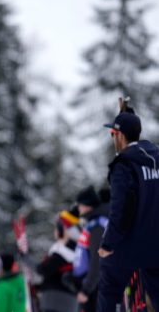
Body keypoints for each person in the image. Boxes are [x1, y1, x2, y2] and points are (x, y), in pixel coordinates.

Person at [97, 110, 159, 311]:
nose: (113, 139)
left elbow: (122, 209)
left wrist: (108, 243)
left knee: (109, 287)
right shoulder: (156, 156)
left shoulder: (123, 164)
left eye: (113, 134)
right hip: (156, 245)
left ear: (120, 135)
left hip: (131, 245)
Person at [72, 186, 108, 312]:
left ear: (88, 205)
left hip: (96, 288)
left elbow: (97, 259)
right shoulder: (94, 223)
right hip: (95, 285)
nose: (78, 208)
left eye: (80, 204)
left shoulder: (97, 226)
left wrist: (86, 290)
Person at [35, 208, 79, 312]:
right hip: (67, 302)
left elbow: (43, 269)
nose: (55, 231)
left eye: (57, 227)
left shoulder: (64, 252)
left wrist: (26, 258)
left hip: (56, 302)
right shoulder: (75, 249)